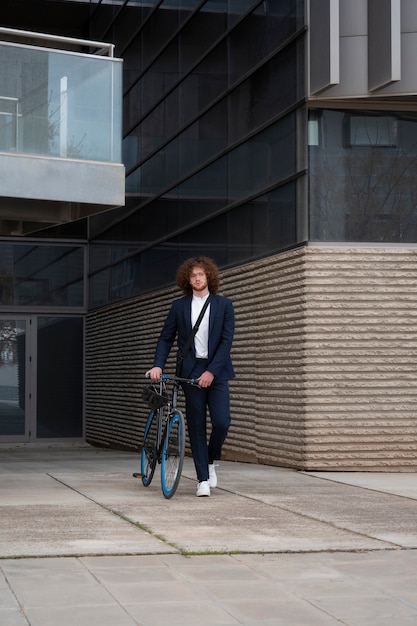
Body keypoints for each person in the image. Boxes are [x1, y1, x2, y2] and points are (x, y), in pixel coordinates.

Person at [146, 256, 235, 497]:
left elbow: (226, 341)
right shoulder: (179, 306)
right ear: (188, 279)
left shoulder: (224, 305)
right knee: (196, 425)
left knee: (221, 422)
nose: (197, 278)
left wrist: (211, 372)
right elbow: (166, 338)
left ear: (209, 277)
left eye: (201, 274)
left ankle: (210, 459)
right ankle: (202, 480)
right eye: (193, 275)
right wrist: (158, 365)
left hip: (216, 370)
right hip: (191, 371)